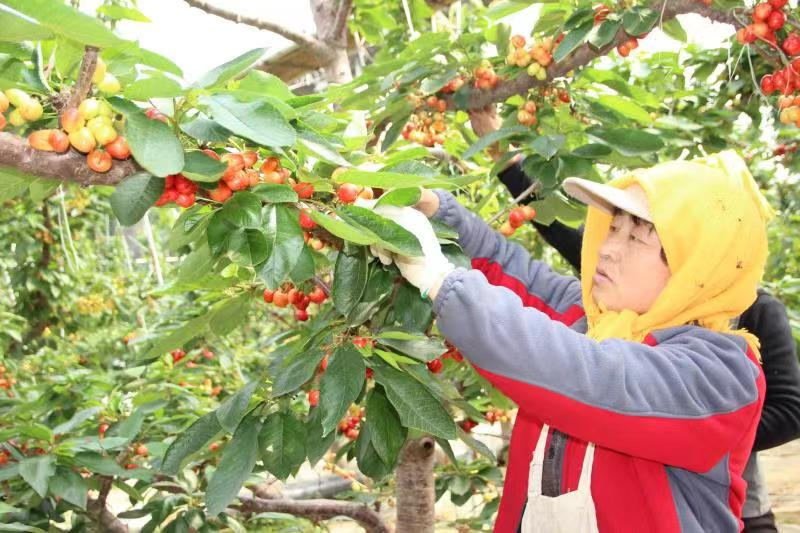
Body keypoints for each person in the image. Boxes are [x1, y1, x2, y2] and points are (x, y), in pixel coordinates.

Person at [362, 148, 774, 532]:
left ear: (696, 264)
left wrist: (439, 278)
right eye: (612, 228)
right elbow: (506, 266)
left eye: (636, 237)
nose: (607, 249)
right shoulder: (591, 317)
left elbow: (593, 376)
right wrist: (434, 210)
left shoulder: (724, 374)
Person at [470, 106, 800, 533]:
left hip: (733, 506)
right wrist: (507, 160)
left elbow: (791, 409)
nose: (608, 249)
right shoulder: (618, 307)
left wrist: (681, 433)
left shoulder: (755, 319)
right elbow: (567, 238)